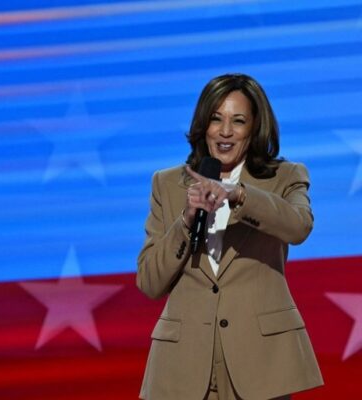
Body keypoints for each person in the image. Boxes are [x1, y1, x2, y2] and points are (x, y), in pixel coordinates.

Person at [136, 73, 323, 400]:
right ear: (202, 125)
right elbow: (150, 282)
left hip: (259, 365)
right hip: (183, 368)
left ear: (254, 128)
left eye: (238, 121)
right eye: (216, 119)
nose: (225, 131)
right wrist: (185, 221)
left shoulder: (285, 176)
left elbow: (298, 226)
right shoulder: (166, 184)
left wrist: (240, 195)